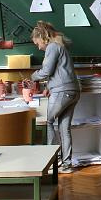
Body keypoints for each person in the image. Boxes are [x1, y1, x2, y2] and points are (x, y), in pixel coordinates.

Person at [29, 21, 80, 173]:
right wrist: (49, 87)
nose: (38, 47)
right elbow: (59, 72)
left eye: (37, 43)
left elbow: (47, 71)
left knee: (48, 121)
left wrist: (33, 76)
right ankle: (67, 165)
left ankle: (52, 161)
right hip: (73, 91)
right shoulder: (60, 46)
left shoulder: (52, 47)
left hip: (62, 92)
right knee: (64, 128)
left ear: (42, 37)